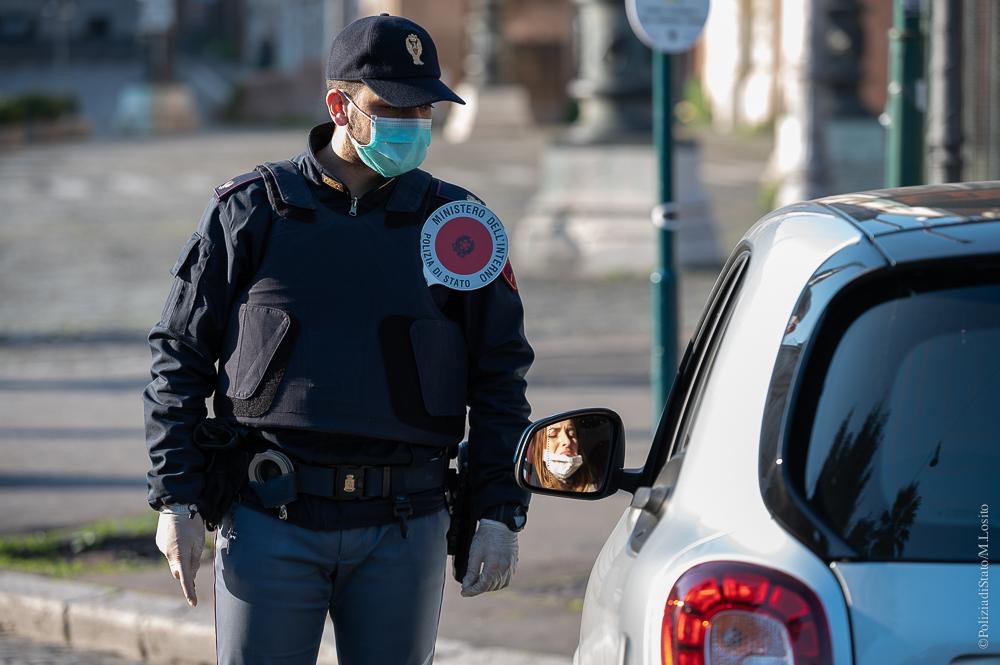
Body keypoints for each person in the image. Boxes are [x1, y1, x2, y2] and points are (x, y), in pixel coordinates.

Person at [143, 14, 532, 665]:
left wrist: (499, 507)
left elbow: (500, 375)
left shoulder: (459, 227)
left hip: (405, 525)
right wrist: (176, 494)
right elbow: (177, 355)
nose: (413, 122)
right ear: (339, 107)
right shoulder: (250, 212)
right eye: (393, 107)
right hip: (272, 517)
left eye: (424, 107)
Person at [525, 418, 598, 492]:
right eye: (553, 435)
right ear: (538, 447)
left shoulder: (594, 486)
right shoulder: (531, 482)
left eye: (572, 434)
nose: (567, 441)